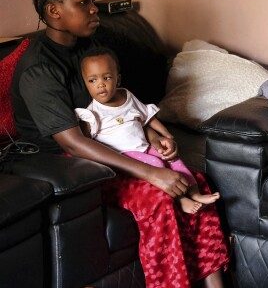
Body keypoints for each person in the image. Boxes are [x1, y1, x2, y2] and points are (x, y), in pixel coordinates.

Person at [11, 0, 229, 288]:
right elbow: (72, 142)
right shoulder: (39, 70)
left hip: (116, 144)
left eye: (92, 1)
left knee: (195, 182)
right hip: (71, 163)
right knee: (161, 201)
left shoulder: (91, 48)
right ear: (54, 11)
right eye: (83, 3)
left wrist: (151, 139)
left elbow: (121, 105)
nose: (94, 9)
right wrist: (152, 172)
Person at [76, 46, 220, 214]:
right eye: (92, 80)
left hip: (144, 147)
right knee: (158, 165)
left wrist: (167, 135)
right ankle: (181, 199)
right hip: (124, 155)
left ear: (118, 79)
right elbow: (86, 145)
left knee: (173, 158)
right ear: (85, 83)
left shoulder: (127, 96)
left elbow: (147, 118)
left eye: (106, 77)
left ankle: (195, 193)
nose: (100, 84)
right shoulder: (91, 114)